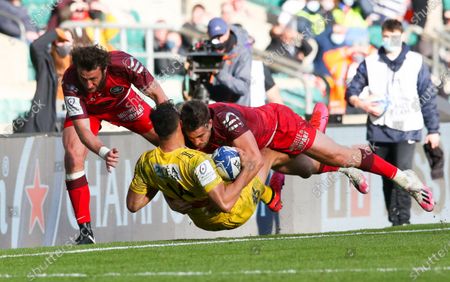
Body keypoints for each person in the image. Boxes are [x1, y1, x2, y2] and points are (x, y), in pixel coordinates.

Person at [180, 100, 435, 214]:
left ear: (210, 124)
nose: (198, 143)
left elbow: (254, 162)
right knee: (307, 168)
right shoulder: (190, 129)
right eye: (193, 139)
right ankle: (339, 165)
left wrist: (222, 198)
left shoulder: (226, 119)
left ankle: (406, 180)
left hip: (281, 126)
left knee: (342, 155)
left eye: (201, 137)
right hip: (262, 147)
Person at [62, 45, 168, 244]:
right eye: (84, 79)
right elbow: (83, 130)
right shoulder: (69, 79)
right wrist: (103, 152)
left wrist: (169, 124)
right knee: (73, 155)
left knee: (169, 142)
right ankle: (86, 232)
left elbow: (158, 96)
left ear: (104, 69)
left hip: (124, 105)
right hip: (89, 113)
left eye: (93, 78)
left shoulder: (123, 63)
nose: (89, 85)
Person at [127, 102, 281, 231]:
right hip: (233, 213)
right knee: (265, 153)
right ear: (180, 125)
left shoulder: (146, 161)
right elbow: (225, 204)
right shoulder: (197, 161)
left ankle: (265, 191)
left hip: (201, 222)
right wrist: (247, 168)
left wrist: (167, 191)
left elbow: (133, 205)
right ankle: (268, 191)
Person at [346, 19, 440, 226]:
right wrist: (362, 104)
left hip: (407, 127)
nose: (390, 40)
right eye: (386, 36)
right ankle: (393, 218)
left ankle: (403, 219)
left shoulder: (416, 61)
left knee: (405, 172)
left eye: (394, 36)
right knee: (387, 176)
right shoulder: (370, 62)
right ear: (382, 36)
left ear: (403, 36)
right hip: (378, 128)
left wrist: (433, 130)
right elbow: (351, 90)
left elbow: (428, 96)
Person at [14, 28, 73, 133]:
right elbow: (36, 46)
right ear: (54, 42)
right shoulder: (45, 61)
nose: (64, 44)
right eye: (60, 41)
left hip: (70, 112)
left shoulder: (76, 61)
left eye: (67, 40)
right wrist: (57, 32)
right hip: (50, 111)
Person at [203, 17, 252, 106]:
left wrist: (219, 72)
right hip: (214, 102)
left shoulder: (243, 52)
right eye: (215, 37)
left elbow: (243, 87)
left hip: (237, 108)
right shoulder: (210, 47)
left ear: (228, 31)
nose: (219, 40)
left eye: (221, 36)